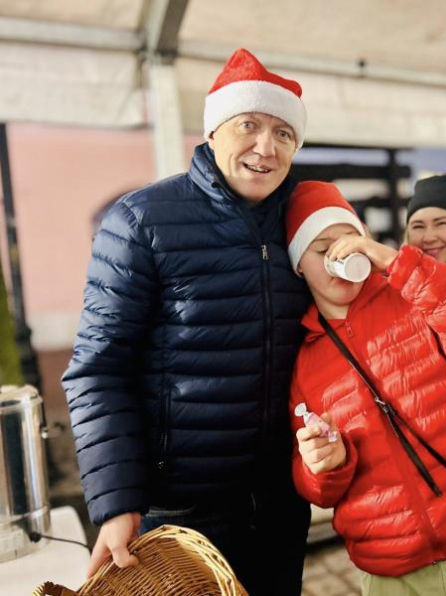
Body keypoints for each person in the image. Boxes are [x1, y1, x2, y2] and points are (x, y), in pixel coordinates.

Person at [62, 48, 311, 595]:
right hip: (180, 511)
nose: (265, 148)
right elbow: (97, 371)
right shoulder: (142, 220)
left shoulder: (304, 227)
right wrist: (118, 501)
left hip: (279, 504)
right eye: (249, 125)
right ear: (214, 130)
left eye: (284, 133)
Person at [285, 181, 446, 595]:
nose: (341, 259)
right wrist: (325, 465)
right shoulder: (304, 362)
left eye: (349, 243)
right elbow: (316, 488)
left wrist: (392, 260)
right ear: (298, 264)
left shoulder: (413, 296)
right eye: (323, 252)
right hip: (393, 567)